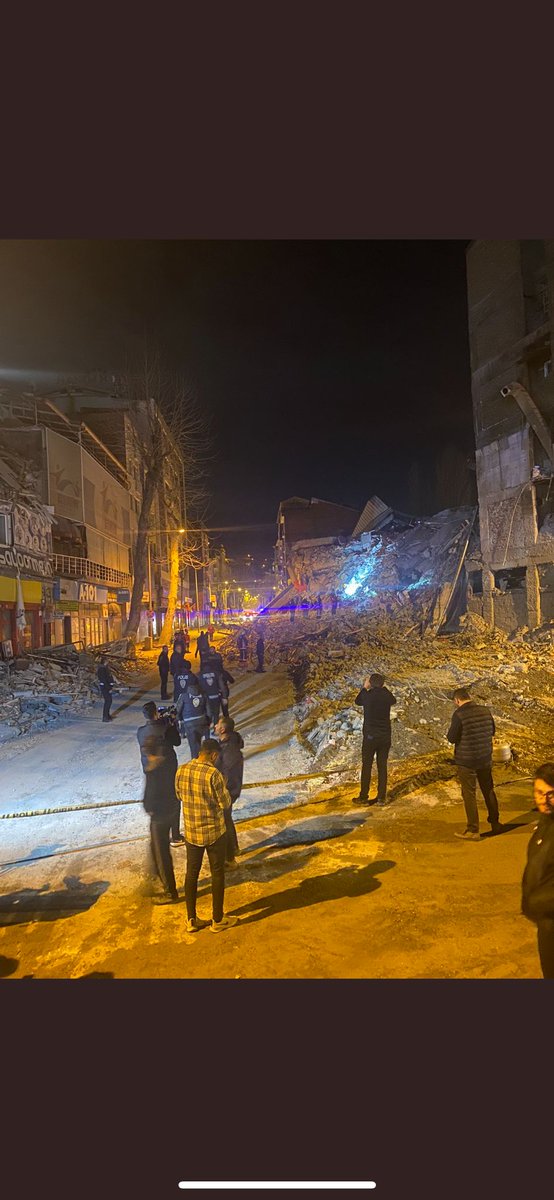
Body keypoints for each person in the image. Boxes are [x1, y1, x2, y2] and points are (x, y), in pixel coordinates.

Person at [175, 738, 239, 934]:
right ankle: (217, 919)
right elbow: (225, 803)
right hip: (213, 832)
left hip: (192, 833)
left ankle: (191, 920)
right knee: (217, 873)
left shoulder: (182, 770)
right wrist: (225, 787)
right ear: (213, 755)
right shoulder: (214, 774)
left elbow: (179, 795)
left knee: (191, 874)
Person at [446, 687, 503, 840]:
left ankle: (473, 830)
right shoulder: (485, 711)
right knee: (488, 789)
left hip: (467, 760)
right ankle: (495, 823)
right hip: (485, 758)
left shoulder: (459, 714)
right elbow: (492, 730)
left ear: (457, 700)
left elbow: (451, 738)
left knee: (469, 794)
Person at [521, 763, 554, 979]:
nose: (544, 799)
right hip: (545, 923)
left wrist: (536, 902)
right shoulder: (544, 822)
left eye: (550, 794)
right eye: (539, 792)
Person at [137, 701, 185, 847]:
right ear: (156, 713)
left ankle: (160, 834)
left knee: (157, 798)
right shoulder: (166, 728)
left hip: (150, 770)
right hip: (167, 770)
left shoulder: (140, 731)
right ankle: (175, 836)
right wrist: (172, 723)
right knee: (174, 800)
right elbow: (177, 742)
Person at [141, 734, 181, 905]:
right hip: (172, 809)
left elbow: (149, 799)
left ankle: (170, 891)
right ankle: (157, 876)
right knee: (156, 848)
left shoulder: (153, 770)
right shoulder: (170, 761)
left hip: (159, 816)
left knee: (161, 852)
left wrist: (148, 808)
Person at [354, 673, 396, 805]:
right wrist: (382, 688)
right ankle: (381, 797)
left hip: (370, 737)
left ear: (370, 683)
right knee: (382, 766)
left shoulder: (367, 696)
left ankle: (363, 796)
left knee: (366, 766)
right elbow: (393, 700)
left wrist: (365, 687)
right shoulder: (386, 696)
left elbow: (357, 701)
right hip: (384, 737)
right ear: (383, 684)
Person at [215, 715, 244, 867]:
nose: (214, 726)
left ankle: (230, 855)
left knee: (224, 821)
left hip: (228, 791)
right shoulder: (227, 744)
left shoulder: (229, 749)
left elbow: (229, 775)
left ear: (223, 729)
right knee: (226, 819)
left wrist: (223, 792)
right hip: (228, 790)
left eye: (217, 725)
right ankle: (233, 848)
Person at [174, 669, 210, 759]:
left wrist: (178, 719)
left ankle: (195, 760)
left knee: (193, 744)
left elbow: (178, 709)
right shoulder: (204, 695)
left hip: (189, 723)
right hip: (201, 721)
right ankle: (202, 757)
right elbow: (209, 710)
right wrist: (208, 721)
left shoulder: (184, 696)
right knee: (199, 741)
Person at [198, 655, 224, 727]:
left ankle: (207, 728)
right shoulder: (216, 673)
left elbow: (198, 687)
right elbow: (221, 685)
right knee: (216, 713)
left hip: (206, 697)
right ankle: (216, 728)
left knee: (207, 712)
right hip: (216, 696)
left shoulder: (199, 675)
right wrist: (224, 696)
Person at [97, 656, 115, 722]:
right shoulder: (102, 669)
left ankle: (107, 715)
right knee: (108, 701)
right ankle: (105, 717)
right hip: (105, 687)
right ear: (105, 662)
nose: (108, 662)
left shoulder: (104, 668)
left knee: (109, 701)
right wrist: (109, 688)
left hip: (106, 686)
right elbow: (104, 680)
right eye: (107, 661)